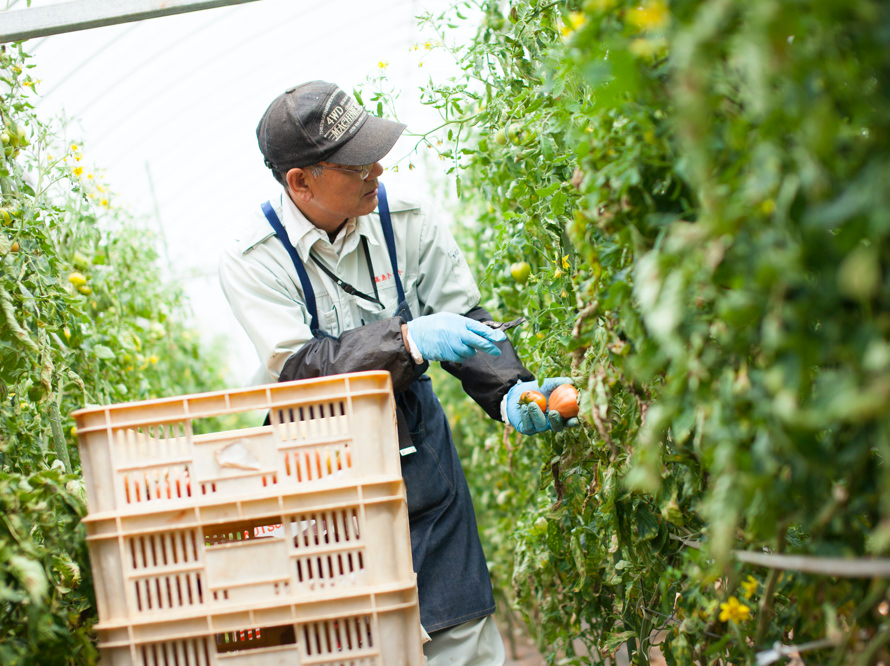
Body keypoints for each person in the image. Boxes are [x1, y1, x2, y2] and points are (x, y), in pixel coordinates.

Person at [219, 80, 575, 664]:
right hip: (318, 462)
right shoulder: (254, 257)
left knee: (460, 626)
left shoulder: (405, 222)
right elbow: (304, 369)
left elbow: (465, 320)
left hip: (417, 448)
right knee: (349, 639)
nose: (376, 169)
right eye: (356, 162)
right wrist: (407, 338)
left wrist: (511, 390)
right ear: (300, 181)